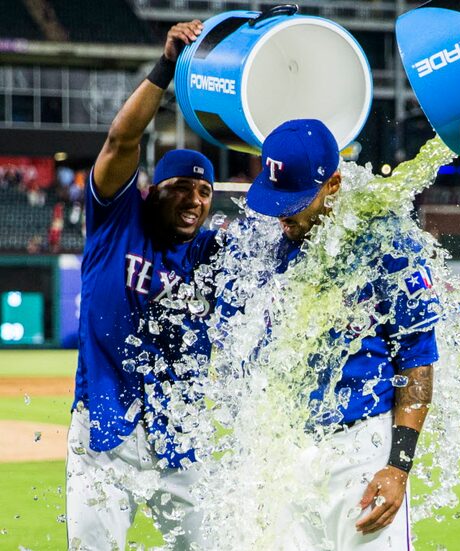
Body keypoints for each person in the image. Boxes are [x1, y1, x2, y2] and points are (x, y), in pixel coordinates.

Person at [245, 119, 438, 550]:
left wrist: (398, 466)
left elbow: (417, 358)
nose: (282, 213)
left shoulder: (387, 243)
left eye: (294, 200)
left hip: (361, 452)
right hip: (287, 450)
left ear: (333, 184)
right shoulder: (268, 246)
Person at [66, 20, 219, 551]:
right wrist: (166, 68)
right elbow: (120, 139)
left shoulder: (212, 252)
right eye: (182, 187)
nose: (196, 200)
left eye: (204, 191)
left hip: (181, 436)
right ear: (154, 190)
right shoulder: (117, 219)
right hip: (104, 428)